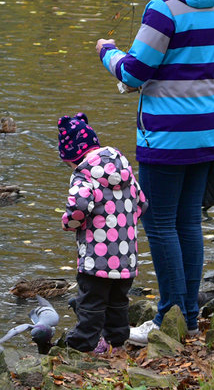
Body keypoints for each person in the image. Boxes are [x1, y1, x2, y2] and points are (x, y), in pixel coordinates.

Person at [95, 0, 214, 345]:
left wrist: (107, 52)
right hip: (207, 130)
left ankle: (169, 318)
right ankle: (188, 318)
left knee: (158, 223)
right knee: (188, 221)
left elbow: (134, 71)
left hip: (166, 136)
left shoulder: (163, 8)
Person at [58, 112, 147, 353]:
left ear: (74, 157)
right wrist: (123, 226)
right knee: (119, 302)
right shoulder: (124, 168)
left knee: (91, 303)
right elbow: (142, 204)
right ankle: (117, 344)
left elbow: (78, 208)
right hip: (126, 254)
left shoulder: (83, 174)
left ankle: (82, 347)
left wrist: (69, 224)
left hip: (96, 258)